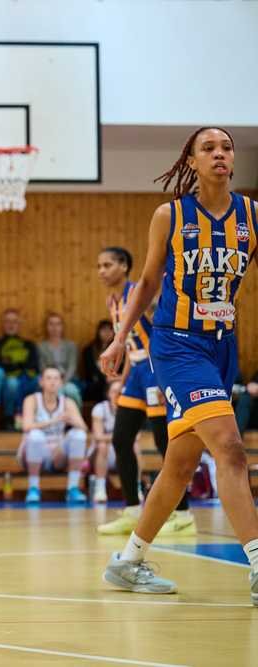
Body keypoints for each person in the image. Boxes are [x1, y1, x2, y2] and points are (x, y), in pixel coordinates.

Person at [99, 127, 258, 603]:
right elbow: (148, 282)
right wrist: (120, 337)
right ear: (191, 160)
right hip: (178, 346)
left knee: (181, 464)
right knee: (230, 449)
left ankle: (128, 562)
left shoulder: (252, 215)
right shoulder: (170, 215)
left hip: (222, 346)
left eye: (226, 148)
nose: (219, 154)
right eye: (208, 148)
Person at [95, 246, 195, 536]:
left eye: (107, 265)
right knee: (121, 439)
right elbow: (129, 345)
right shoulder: (112, 300)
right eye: (99, 266)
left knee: (165, 442)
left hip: (156, 371)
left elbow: (164, 334)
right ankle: (132, 510)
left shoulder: (141, 293)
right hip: (137, 374)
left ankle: (183, 514)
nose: (101, 271)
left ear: (124, 266)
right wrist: (121, 381)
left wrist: (165, 378)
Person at [17, 365, 89, 505]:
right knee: (35, 435)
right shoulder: (32, 400)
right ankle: (33, 488)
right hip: (33, 453)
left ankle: (73, 488)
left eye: (56, 378)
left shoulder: (67, 402)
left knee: (78, 435)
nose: (52, 382)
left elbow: (84, 428)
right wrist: (54, 420)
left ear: (61, 383)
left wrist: (72, 420)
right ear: (41, 382)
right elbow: (26, 426)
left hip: (57, 454)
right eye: (49, 378)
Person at [0, 308, 40, 428]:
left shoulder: (29, 345)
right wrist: (19, 365)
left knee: (40, 380)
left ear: (19, 325)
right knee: (12, 383)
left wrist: (10, 364)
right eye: (7, 321)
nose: (11, 325)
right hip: (6, 381)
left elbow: (34, 365)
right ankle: (9, 417)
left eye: (14, 321)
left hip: (26, 378)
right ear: (2, 324)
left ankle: (37, 417)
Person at [89, 380, 122, 503]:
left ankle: (136, 486)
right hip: (99, 454)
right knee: (102, 445)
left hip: (121, 452)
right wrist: (121, 437)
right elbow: (98, 436)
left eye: (120, 392)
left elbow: (136, 437)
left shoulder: (130, 409)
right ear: (108, 393)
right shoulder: (100, 408)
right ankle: (100, 489)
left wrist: (109, 437)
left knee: (134, 446)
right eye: (114, 391)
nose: (117, 395)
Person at [38, 312, 82, 405]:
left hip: (69, 379)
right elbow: (42, 367)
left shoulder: (71, 345)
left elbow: (72, 367)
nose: (54, 327)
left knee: (71, 391)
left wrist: (62, 381)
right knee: (56, 391)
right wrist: (52, 380)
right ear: (46, 327)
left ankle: (76, 413)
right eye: (51, 324)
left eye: (58, 324)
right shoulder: (41, 347)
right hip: (49, 379)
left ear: (62, 327)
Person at [80, 319, 115, 404]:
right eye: (104, 329)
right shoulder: (89, 350)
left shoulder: (119, 349)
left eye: (110, 329)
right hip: (95, 381)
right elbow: (89, 371)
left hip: (114, 379)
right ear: (98, 332)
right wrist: (104, 377)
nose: (107, 333)